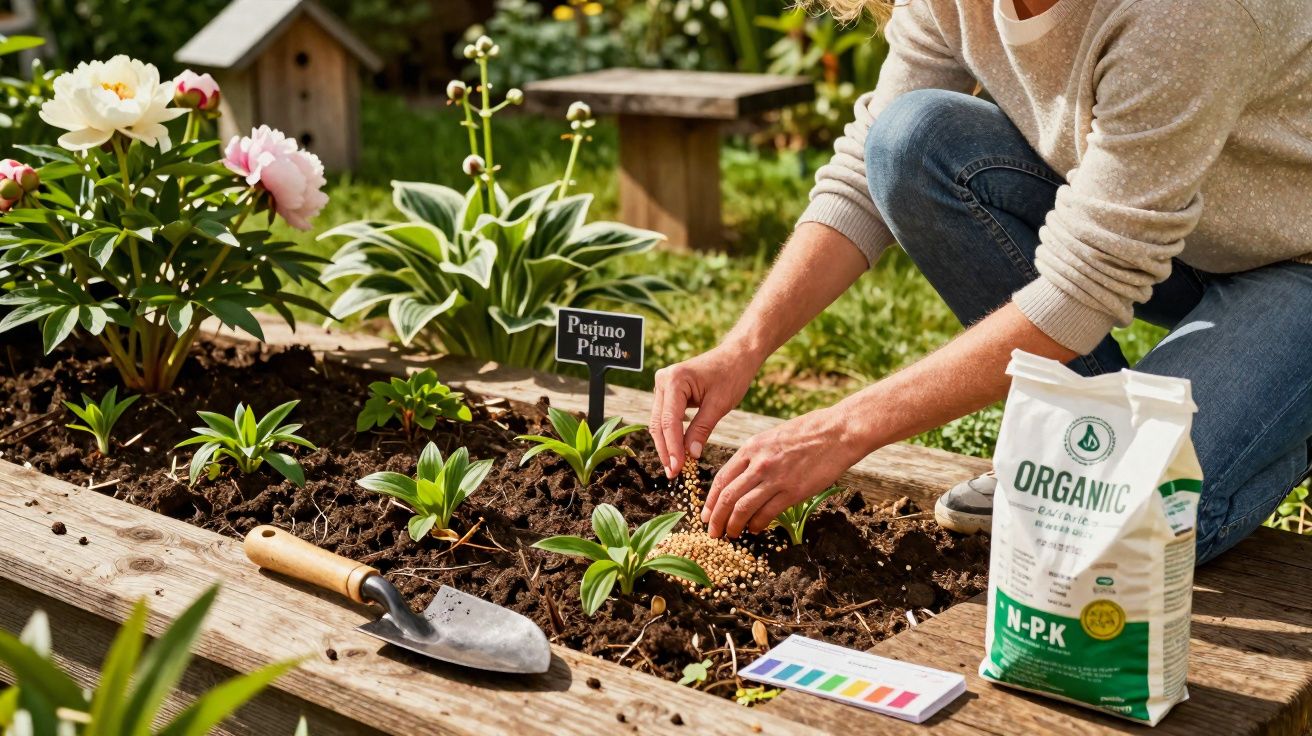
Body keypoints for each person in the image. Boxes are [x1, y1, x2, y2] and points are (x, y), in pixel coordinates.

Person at [649, 0, 1312, 564]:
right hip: (1170, 232)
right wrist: (742, 348)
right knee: (909, 140)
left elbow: (1082, 292)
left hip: (1297, 262)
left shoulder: (1184, 15)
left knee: (1119, 530)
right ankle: (1083, 439)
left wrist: (840, 431)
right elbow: (865, 174)